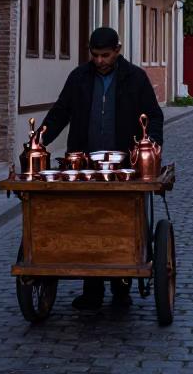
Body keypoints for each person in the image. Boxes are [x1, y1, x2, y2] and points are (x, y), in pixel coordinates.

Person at [39, 26, 164, 310]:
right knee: (87, 223)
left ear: (117, 51)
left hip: (123, 166)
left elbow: (154, 116)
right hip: (84, 163)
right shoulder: (79, 77)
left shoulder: (136, 78)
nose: (99, 61)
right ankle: (92, 290)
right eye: (95, 55)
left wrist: (151, 146)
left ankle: (121, 290)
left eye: (105, 55)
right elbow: (60, 112)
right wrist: (40, 139)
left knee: (122, 224)